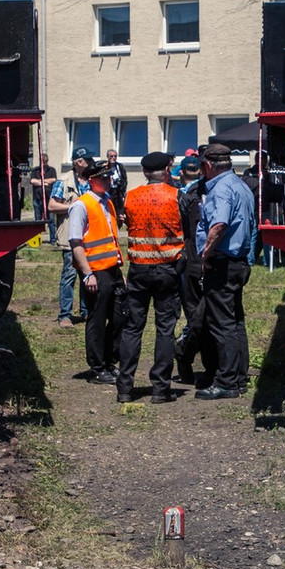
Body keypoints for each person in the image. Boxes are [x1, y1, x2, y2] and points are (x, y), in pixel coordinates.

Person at [116, 151, 184, 403]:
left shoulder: (131, 197)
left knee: (133, 328)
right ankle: (160, 389)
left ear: (145, 172)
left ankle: (124, 388)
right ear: (166, 171)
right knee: (165, 329)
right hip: (167, 269)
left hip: (138, 269)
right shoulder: (176, 197)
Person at [194, 142, 256, 400]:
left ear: (208, 165)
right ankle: (239, 378)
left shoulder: (220, 190)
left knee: (222, 325)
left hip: (223, 263)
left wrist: (206, 253)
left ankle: (227, 382)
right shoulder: (241, 186)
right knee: (235, 322)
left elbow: (219, 224)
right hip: (239, 262)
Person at [67, 149, 124, 384]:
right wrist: (87, 273)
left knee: (120, 316)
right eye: (104, 178)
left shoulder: (107, 202)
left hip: (112, 269)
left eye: (109, 177)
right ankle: (98, 367)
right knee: (97, 319)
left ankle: (110, 361)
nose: (108, 180)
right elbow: (75, 243)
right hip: (96, 272)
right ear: (92, 180)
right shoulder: (82, 205)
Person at [173, 154, 215, 387]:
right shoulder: (188, 196)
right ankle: (186, 355)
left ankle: (204, 365)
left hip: (201, 261)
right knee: (198, 317)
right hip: (194, 262)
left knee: (204, 316)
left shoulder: (197, 193)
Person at [52, 154, 81, 325]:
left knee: (89, 276)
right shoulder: (63, 181)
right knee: (69, 276)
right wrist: (73, 207)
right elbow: (52, 205)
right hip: (70, 236)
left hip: (89, 238)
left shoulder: (92, 181)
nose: (91, 163)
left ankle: (86, 311)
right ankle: (65, 315)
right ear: (78, 162)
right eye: (87, 160)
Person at [29, 152, 60, 244]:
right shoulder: (35, 170)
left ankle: (53, 239)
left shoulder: (52, 170)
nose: (43, 163)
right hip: (37, 198)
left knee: (51, 220)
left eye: (45, 161)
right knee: (37, 220)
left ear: (47, 161)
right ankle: (37, 240)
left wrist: (41, 182)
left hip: (48, 198)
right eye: (42, 161)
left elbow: (54, 180)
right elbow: (32, 181)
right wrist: (45, 183)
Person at [103, 148, 127, 213]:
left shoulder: (120, 167)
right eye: (111, 156)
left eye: (115, 156)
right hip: (108, 192)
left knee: (119, 211)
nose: (113, 158)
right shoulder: (104, 167)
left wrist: (122, 189)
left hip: (118, 193)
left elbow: (124, 179)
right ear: (107, 157)